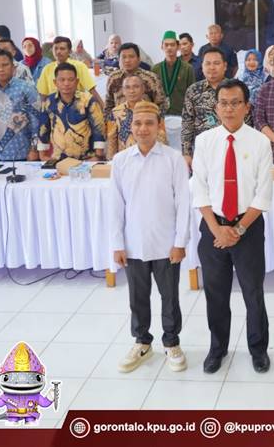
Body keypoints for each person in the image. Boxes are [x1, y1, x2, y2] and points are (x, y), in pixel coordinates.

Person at [192, 79, 273, 374]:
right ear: (216, 107)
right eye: (224, 103)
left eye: (235, 102)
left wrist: (237, 231)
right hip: (213, 227)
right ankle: (217, 348)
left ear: (246, 107)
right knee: (215, 292)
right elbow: (199, 190)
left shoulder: (260, 142)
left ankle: (258, 349)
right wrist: (217, 230)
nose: (229, 108)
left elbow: (263, 194)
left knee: (253, 292)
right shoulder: (204, 141)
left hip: (248, 229)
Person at [110, 101, 191, 374]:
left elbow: (183, 203)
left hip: (166, 243)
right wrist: (117, 244)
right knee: (138, 296)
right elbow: (115, 206)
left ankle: (172, 342)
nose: (143, 128)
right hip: (133, 243)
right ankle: (142, 341)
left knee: (170, 297)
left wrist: (180, 242)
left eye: (148, 123)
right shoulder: (121, 161)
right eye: (137, 123)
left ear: (159, 127)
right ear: (130, 127)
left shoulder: (173, 159)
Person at [37, 62, 107, 161]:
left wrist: (98, 156)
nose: (66, 83)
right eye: (62, 80)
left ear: (77, 81)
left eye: (70, 80)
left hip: (86, 159)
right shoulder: (48, 102)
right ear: (55, 82)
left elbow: (98, 127)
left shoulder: (88, 100)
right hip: (58, 159)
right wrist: (42, 155)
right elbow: (43, 128)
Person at [182, 47, 230, 166]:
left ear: (225, 66)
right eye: (207, 63)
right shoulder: (193, 90)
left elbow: (246, 121)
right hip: (202, 152)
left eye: (216, 63)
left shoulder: (234, 89)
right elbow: (187, 123)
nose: (212, 67)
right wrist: (186, 153)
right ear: (202, 66)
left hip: (230, 149)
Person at [106, 75, 169, 159]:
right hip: (125, 159)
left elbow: (162, 135)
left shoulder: (153, 110)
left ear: (143, 89)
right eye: (127, 87)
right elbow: (111, 139)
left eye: (136, 87)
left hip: (151, 157)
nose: (132, 91)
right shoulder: (115, 113)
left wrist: (163, 158)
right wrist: (111, 161)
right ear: (123, 91)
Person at [104, 43, 167, 115]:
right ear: (119, 60)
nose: (127, 60)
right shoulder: (113, 78)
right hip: (119, 121)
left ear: (139, 59)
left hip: (145, 121)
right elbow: (108, 105)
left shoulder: (151, 78)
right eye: (124, 57)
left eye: (131, 56)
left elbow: (161, 105)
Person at [37, 37, 101, 104]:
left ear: (69, 51)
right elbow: (43, 94)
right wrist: (43, 110)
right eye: (55, 48)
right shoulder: (47, 69)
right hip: (55, 108)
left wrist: (104, 109)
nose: (58, 52)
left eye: (62, 49)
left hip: (77, 107)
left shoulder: (79, 66)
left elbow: (92, 90)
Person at [152, 31, 196, 117]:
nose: (169, 48)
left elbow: (192, 94)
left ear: (178, 47)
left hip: (181, 115)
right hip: (160, 116)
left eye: (172, 45)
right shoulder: (155, 69)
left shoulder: (187, 68)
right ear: (162, 47)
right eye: (166, 45)